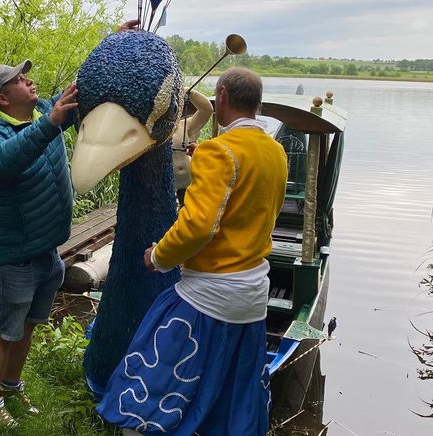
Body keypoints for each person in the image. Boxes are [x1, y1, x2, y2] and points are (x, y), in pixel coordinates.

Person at [95, 67, 288, 435]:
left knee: (147, 380)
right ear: (258, 103)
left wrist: (158, 256)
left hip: (209, 293)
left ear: (224, 98)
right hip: (252, 296)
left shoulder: (220, 152)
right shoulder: (275, 152)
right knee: (229, 393)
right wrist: (208, 162)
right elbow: (250, 200)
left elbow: (199, 226)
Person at [0, 20, 140, 429]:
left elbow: (77, 89)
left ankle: (11, 386)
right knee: (2, 330)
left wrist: (110, 44)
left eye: (25, 74)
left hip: (48, 252)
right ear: (2, 98)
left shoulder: (45, 112)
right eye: (17, 79)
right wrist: (47, 125)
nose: (28, 79)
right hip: (14, 255)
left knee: (28, 325)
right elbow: (2, 161)